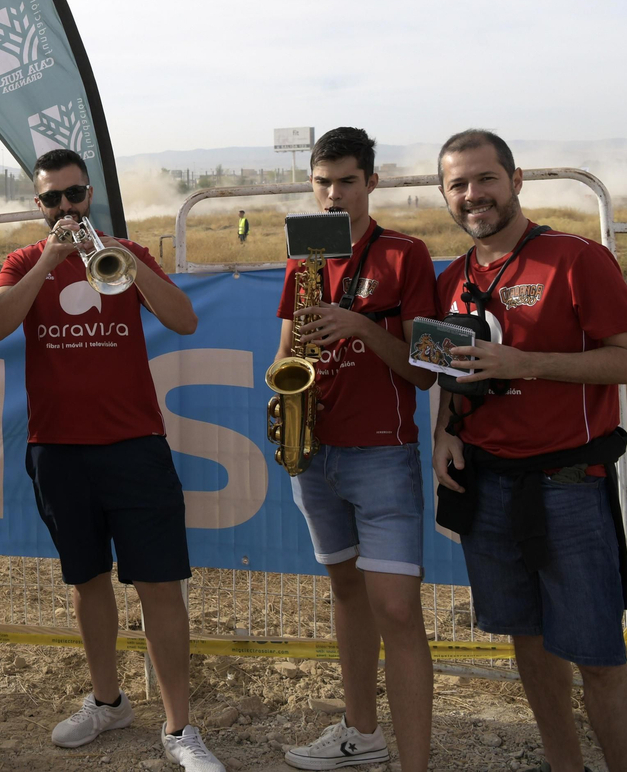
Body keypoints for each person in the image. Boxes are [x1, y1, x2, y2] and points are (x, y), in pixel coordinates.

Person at [0, 150, 223, 772]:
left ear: (89, 196)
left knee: (159, 585)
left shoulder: (125, 253)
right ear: (39, 206)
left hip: (134, 444)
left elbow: (186, 320)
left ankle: (179, 728)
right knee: (86, 582)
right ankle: (107, 700)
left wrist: (126, 265)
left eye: (75, 195)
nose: (66, 208)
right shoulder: (23, 261)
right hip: (58, 450)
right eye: (53, 199)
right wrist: (49, 261)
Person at [432, 130, 627, 772]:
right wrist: (444, 432)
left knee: (600, 656)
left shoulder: (577, 258)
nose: (474, 195)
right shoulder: (451, 280)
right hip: (489, 488)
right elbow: (449, 373)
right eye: (458, 184)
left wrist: (526, 362)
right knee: (528, 640)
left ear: (516, 181)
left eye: (486, 178)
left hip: (569, 484)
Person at [272, 128, 439, 771]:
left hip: (381, 452)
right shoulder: (304, 253)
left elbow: (425, 373)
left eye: (347, 180)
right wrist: (282, 393)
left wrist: (362, 327)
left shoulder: (407, 254)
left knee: (396, 608)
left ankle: (414, 764)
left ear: (372, 181)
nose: (334, 194)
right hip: (314, 448)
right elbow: (286, 348)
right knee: (345, 589)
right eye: (323, 182)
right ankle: (361, 737)